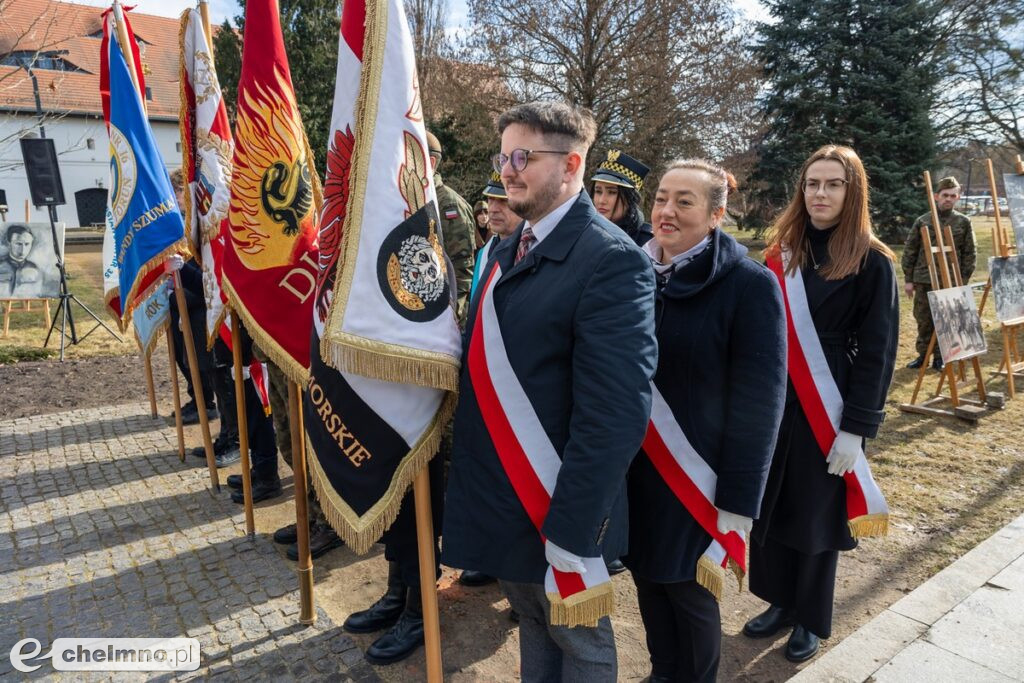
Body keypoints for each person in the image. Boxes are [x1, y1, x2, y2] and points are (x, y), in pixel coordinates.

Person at [442, 101, 657, 681]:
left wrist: (573, 529)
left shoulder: (611, 261)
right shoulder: (508, 249)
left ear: (571, 165)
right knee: (534, 625)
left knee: (580, 643)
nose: (508, 170)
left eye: (524, 157)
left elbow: (614, 416)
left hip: (560, 506)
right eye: (503, 155)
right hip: (504, 496)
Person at [625, 160, 787, 683]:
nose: (666, 211)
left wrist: (740, 501)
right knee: (647, 578)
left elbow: (760, 402)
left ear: (717, 214)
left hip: (700, 476)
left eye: (685, 201)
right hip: (636, 467)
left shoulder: (748, 285)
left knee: (687, 589)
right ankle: (662, 672)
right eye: (661, 198)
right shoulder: (631, 271)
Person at [744, 145, 899, 663]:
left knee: (813, 512)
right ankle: (780, 602)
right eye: (813, 183)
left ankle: (809, 616)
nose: (820, 194)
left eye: (833, 184)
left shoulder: (872, 260)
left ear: (852, 192)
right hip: (773, 394)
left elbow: (879, 350)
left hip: (826, 395)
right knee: (770, 503)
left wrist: (856, 428)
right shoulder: (782, 249)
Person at [901, 176, 975, 371]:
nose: (948, 199)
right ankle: (923, 355)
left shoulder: (963, 222)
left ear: (958, 197)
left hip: (950, 280)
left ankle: (941, 357)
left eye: (952, 195)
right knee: (924, 319)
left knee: (946, 320)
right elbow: (910, 250)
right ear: (936, 196)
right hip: (924, 280)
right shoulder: (923, 221)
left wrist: (963, 281)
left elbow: (970, 253)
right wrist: (908, 280)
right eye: (944, 195)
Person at [426, 131, 476, 327]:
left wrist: (453, 315)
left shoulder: (448, 205)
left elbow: (462, 271)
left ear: (430, 162)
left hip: (443, 316)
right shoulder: (414, 199)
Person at [468, 171, 522, 301]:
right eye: (490, 199)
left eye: (504, 201)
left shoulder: (532, 249)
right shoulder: (484, 253)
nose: (493, 209)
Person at [589, 150, 653, 247]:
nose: (601, 200)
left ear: (631, 197)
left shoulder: (648, 243)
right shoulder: (584, 231)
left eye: (612, 192)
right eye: (598, 191)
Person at [0, 224, 43, 297]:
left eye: (27, 244)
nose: (23, 250)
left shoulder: (35, 269)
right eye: (18, 244)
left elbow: (37, 293)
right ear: (9, 243)